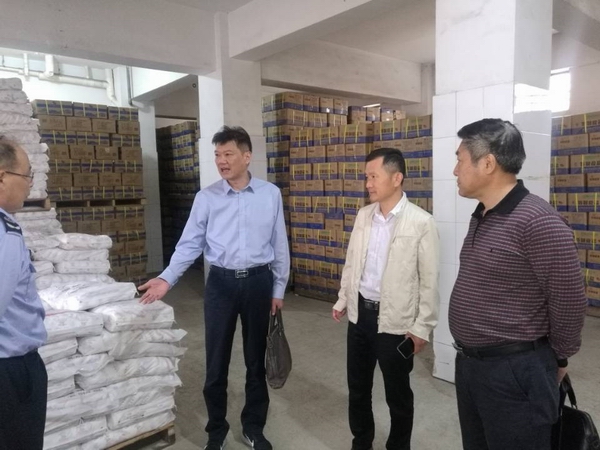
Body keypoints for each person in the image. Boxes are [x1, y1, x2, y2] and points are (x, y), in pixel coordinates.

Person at [139, 125, 289, 450]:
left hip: (259, 283)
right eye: (217, 155)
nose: (221, 161)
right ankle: (216, 432)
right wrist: (167, 278)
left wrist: (278, 288)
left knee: (256, 361)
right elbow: (189, 244)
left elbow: (280, 244)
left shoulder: (270, 195)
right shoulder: (206, 198)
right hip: (221, 284)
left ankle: (253, 428)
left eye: (228, 154)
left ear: (246, 157)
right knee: (216, 362)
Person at [449, 118, 588, 450]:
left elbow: (569, 298)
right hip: (471, 366)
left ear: (487, 163)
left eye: (460, 159)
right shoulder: (483, 214)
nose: (455, 170)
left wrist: (558, 358)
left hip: (514, 372)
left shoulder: (538, 220)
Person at [332, 147, 440, 450]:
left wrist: (422, 327)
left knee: (398, 395)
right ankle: (361, 442)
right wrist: (343, 299)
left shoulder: (421, 222)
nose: (368, 183)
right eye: (366, 177)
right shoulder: (364, 216)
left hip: (396, 322)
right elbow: (352, 263)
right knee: (358, 389)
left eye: (373, 177)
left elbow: (430, 281)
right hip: (360, 317)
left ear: (396, 178)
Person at [0, 137, 47, 450]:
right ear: (2, 176)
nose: (30, 184)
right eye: (27, 174)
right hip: (10, 371)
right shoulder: (5, 234)